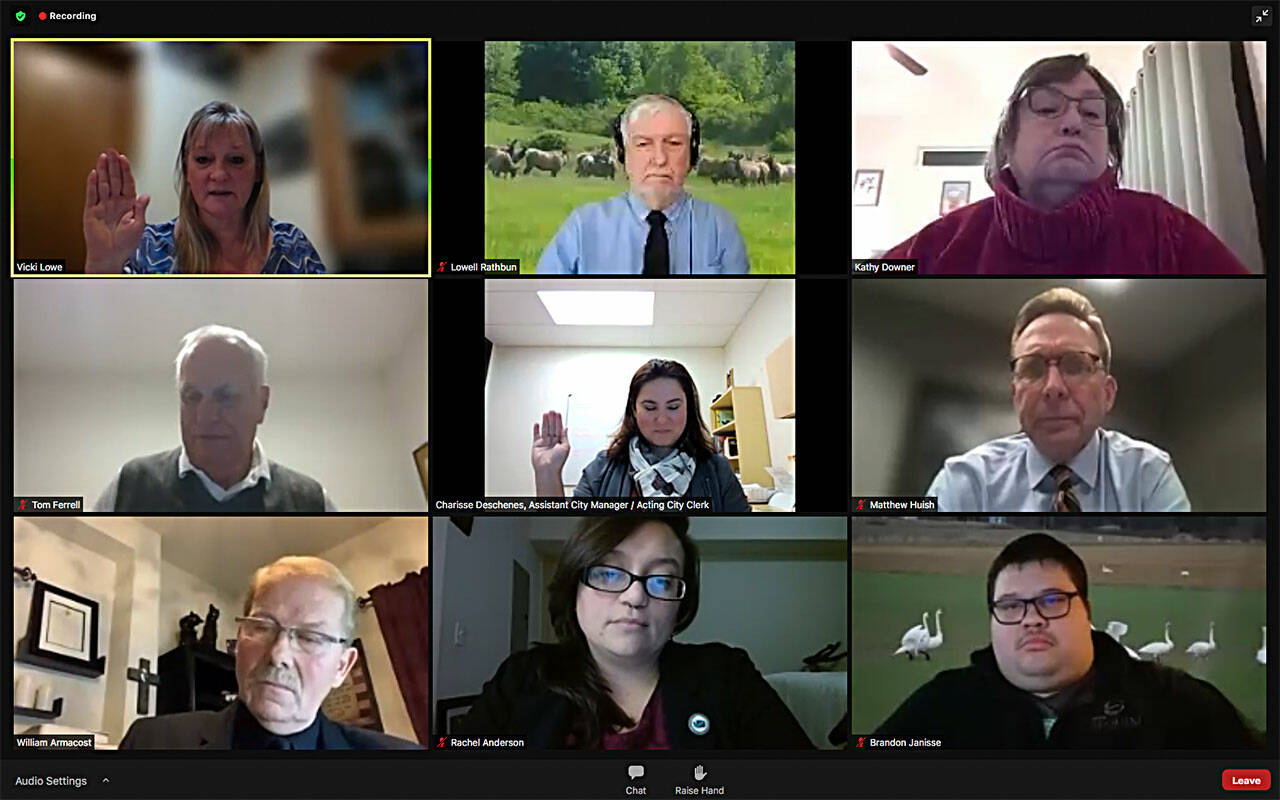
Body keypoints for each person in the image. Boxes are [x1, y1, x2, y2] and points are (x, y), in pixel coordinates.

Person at [873, 533, 1263, 748]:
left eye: (1052, 601)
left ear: (1087, 610)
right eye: (1011, 605)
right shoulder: (940, 707)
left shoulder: (1178, 705)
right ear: (992, 619)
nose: (1032, 619)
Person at [455, 517, 813, 749]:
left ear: (679, 604)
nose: (635, 597)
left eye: (662, 580)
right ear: (574, 588)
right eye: (609, 573)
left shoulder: (726, 674)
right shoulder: (521, 677)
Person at [884, 54, 1249, 274]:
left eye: (1092, 113)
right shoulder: (938, 243)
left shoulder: (1167, 231)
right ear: (1007, 140)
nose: (1073, 123)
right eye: (1047, 108)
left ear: (1109, 147)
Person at [926, 287, 1189, 512]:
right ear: (1016, 395)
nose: (1053, 387)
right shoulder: (963, 482)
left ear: (1107, 394)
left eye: (1075, 365)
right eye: (1033, 368)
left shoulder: (1148, 475)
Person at [120, 556, 419, 749]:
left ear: (342, 666)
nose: (278, 654)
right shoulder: (150, 742)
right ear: (239, 638)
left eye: (310, 637)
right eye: (262, 627)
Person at [94, 324, 335, 512]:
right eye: (192, 396)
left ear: (262, 403)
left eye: (226, 397)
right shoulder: (129, 486)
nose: (206, 416)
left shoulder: (311, 501)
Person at [83, 101, 324, 274]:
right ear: (186, 170)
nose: (219, 175)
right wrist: (104, 263)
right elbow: (104, 322)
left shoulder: (293, 247)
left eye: (236, 160)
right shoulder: (145, 247)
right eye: (203, 159)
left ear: (258, 171)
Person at [537, 95, 750, 275]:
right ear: (623, 155)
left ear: (691, 155)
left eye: (674, 144)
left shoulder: (720, 227)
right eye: (643, 144)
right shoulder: (582, 226)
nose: (659, 159)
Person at [531, 359, 749, 511]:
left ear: (689, 409)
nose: (662, 420)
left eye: (673, 407)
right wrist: (547, 472)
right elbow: (569, 534)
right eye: (650, 407)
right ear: (634, 411)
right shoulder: (602, 468)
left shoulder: (716, 469)